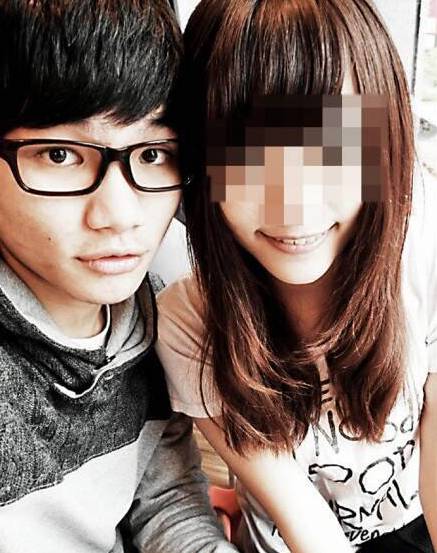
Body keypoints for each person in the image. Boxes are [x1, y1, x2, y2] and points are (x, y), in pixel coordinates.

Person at [156, 1, 437, 552]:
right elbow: (304, 522)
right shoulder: (187, 325)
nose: (294, 205)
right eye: (246, 154)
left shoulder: (422, 242)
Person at [0, 1, 239, 552]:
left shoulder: (151, 317)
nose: (119, 214)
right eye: (59, 154)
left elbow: (165, 497)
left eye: (152, 153)